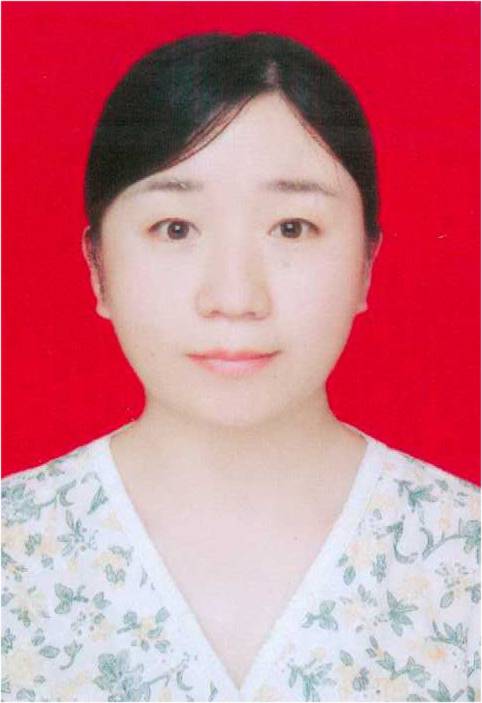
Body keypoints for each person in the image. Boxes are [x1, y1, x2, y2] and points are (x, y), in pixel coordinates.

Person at [2, 32, 479, 702]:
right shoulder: (14, 545)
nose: (235, 297)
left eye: (291, 228)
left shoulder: (464, 551)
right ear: (98, 268)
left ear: (366, 264)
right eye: (175, 228)